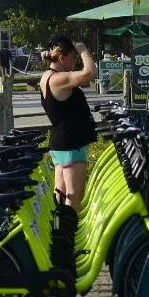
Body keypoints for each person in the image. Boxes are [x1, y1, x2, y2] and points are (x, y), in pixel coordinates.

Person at [40, 34, 98, 213]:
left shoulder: (47, 76)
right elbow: (89, 74)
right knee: (74, 196)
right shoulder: (58, 79)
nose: (75, 62)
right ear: (62, 58)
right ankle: (69, 233)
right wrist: (83, 50)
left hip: (62, 143)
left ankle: (60, 233)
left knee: (62, 194)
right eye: (72, 58)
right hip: (71, 145)